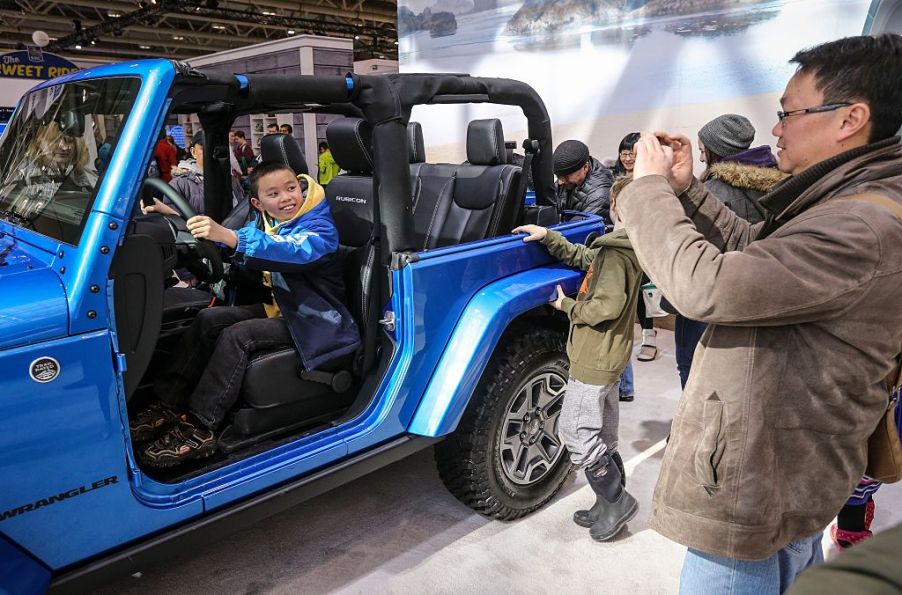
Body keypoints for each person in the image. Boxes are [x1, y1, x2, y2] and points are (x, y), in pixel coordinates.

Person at [618, 33, 902, 593]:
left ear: (850, 118)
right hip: (788, 467)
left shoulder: (860, 225)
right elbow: (758, 253)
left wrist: (647, 188)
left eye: (787, 114)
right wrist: (687, 192)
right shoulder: (852, 199)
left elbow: (705, 286)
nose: (775, 129)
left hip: (760, 478)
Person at [131, 161, 361, 467]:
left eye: (291, 188)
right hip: (281, 308)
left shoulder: (319, 226)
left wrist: (231, 238)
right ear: (257, 202)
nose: (287, 198)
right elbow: (236, 238)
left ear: (301, 186)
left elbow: (291, 250)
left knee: (237, 336)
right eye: (274, 193)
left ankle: (201, 425)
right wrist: (190, 227)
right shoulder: (266, 221)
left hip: (316, 320)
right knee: (208, 320)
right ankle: (168, 403)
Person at [511, 176, 642, 542]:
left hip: (594, 357)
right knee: (604, 432)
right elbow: (588, 259)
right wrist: (549, 236)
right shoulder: (624, 247)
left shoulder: (617, 252)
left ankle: (616, 501)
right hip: (611, 355)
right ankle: (606, 504)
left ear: (617, 208)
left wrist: (566, 305)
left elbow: (607, 305)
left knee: (575, 431)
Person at [673, 114, 787, 388]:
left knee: (694, 371)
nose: (701, 159)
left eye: (702, 151)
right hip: (763, 297)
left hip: (712, 297)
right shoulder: (781, 184)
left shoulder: (709, 192)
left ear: (717, 150)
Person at [612, 132, 658, 366]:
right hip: (620, 244)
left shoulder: (649, 179)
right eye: (624, 153)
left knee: (643, 294)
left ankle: (649, 338)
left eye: (632, 153)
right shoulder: (616, 179)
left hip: (642, 244)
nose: (628, 158)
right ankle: (624, 340)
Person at [553, 139, 614, 224]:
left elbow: (580, 229)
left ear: (585, 167)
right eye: (558, 176)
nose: (560, 182)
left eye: (566, 177)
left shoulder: (599, 196)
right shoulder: (567, 178)